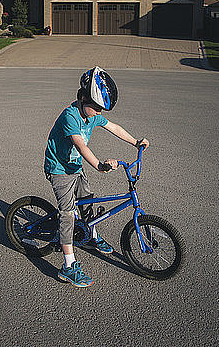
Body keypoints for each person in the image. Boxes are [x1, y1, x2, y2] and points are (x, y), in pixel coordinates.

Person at [44, 66, 149, 287]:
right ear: (82, 98)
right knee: (67, 214)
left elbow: (114, 127)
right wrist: (99, 166)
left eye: (102, 109)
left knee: (88, 201)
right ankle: (68, 266)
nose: (99, 113)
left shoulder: (94, 116)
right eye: (97, 108)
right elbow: (81, 145)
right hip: (59, 169)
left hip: (75, 167)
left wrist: (136, 142)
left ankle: (90, 235)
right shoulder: (70, 116)